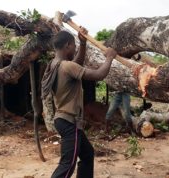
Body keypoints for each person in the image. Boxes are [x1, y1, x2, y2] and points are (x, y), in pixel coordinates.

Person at [42, 29, 117, 178]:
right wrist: (109, 58)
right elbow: (99, 75)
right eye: (74, 46)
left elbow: (77, 63)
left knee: (88, 154)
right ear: (68, 45)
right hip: (69, 121)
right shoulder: (67, 66)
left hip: (64, 120)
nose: (75, 48)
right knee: (67, 165)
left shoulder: (54, 65)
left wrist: (82, 43)